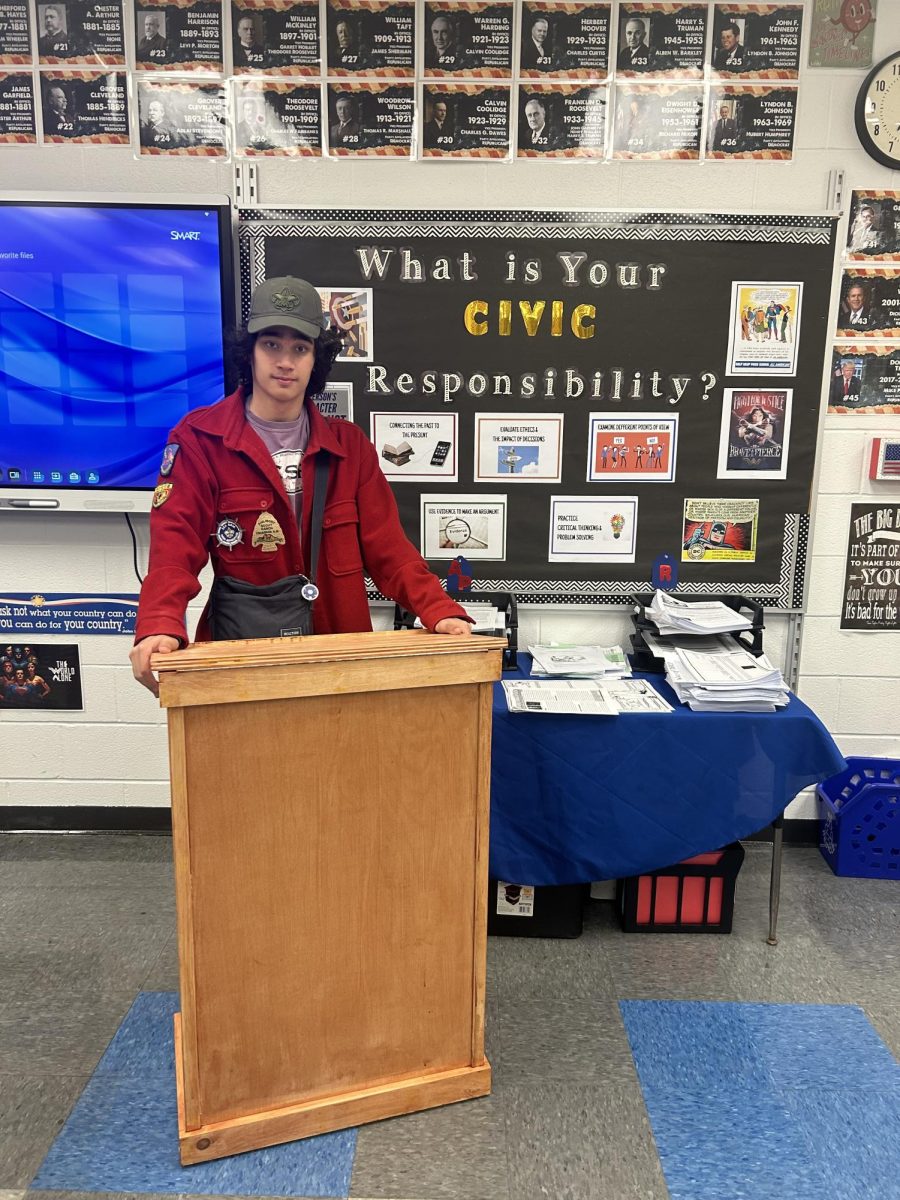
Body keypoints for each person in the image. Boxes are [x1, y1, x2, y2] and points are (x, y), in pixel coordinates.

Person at [130, 275, 472, 695]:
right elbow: (174, 549)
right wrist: (159, 625)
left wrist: (438, 610)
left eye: (300, 348)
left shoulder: (350, 448)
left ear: (317, 359)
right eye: (271, 344)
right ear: (249, 352)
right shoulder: (201, 440)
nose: (285, 361)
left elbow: (390, 551)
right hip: (246, 663)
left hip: (341, 661)